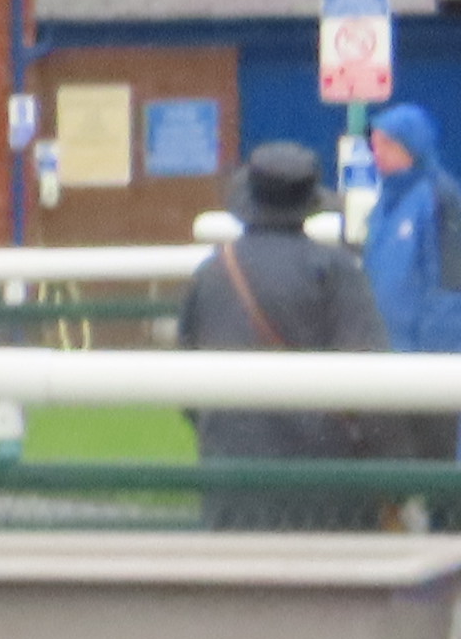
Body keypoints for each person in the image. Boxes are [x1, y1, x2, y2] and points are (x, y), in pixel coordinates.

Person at [169, 138, 395, 530]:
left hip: (231, 474)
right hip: (324, 482)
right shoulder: (335, 271)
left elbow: (187, 386)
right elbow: (371, 380)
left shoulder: (211, 274)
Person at [355, 104, 457, 499]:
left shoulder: (442, 200)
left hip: (426, 366)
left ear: (410, 148)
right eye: (375, 144)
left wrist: (431, 363)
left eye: (386, 144)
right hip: (386, 358)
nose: (376, 153)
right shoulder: (383, 206)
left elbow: (451, 288)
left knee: (435, 463)